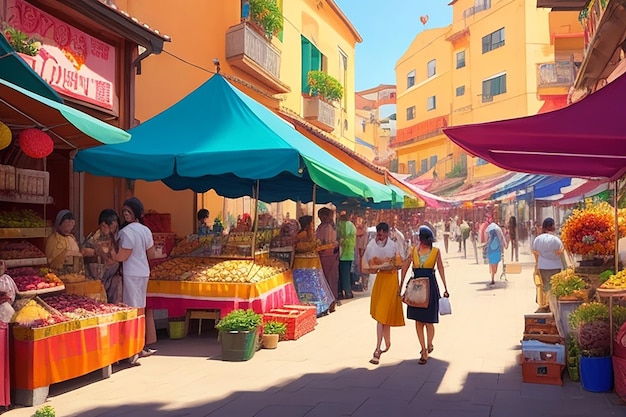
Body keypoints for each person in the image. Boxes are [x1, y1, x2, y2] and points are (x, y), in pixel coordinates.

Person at [112, 197, 157, 364]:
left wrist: (106, 254)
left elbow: (123, 256)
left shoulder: (125, 232)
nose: (125, 214)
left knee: (131, 311)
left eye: (128, 211)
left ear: (135, 212)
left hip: (131, 274)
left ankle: (133, 349)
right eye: (124, 211)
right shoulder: (145, 230)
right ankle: (139, 346)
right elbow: (151, 254)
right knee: (140, 310)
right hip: (143, 273)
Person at [401, 226, 448, 365]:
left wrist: (446, 287)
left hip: (430, 288)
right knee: (418, 320)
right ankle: (423, 349)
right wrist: (401, 285)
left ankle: (429, 343)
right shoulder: (413, 251)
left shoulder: (436, 252)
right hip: (416, 288)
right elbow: (405, 267)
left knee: (429, 321)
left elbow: (440, 268)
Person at [364, 222, 405, 365]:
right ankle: (378, 347)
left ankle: (385, 345)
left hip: (392, 279)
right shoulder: (371, 245)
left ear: (387, 233)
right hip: (381, 280)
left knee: (385, 316)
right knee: (381, 315)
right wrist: (376, 266)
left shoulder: (393, 245)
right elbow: (369, 266)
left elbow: (400, 263)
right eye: (378, 232)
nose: (380, 235)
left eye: (382, 233)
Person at [82, 209, 123, 303]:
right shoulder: (94, 238)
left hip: (112, 276)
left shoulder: (115, 237)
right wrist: (95, 252)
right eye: (113, 222)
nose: (116, 224)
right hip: (97, 278)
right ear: (103, 224)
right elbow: (84, 252)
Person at [531, 217, 564, 313]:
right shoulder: (556, 240)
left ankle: (546, 304)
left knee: (545, 286)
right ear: (552, 226)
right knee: (554, 287)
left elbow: (534, 251)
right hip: (556, 266)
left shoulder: (538, 239)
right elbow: (560, 251)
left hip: (543, 266)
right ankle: (553, 306)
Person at [315, 207, 339, 311]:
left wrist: (320, 247)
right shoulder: (322, 226)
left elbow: (328, 243)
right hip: (324, 255)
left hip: (328, 256)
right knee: (326, 280)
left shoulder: (328, 227)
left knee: (329, 280)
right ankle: (327, 303)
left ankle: (331, 303)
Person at [337, 211, 356, 299]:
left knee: (342, 274)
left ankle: (344, 292)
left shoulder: (341, 225)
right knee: (346, 273)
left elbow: (340, 237)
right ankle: (347, 292)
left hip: (342, 253)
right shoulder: (352, 226)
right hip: (350, 253)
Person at [485, 221, 507, 285]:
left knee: (491, 263)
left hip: (490, 249)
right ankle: (494, 273)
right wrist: (505, 245)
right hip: (497, 249)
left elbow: (486, 240)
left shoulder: (488, 230)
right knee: (496, 263)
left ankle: (492, 277)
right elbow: (502, 238)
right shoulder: (498, 230)